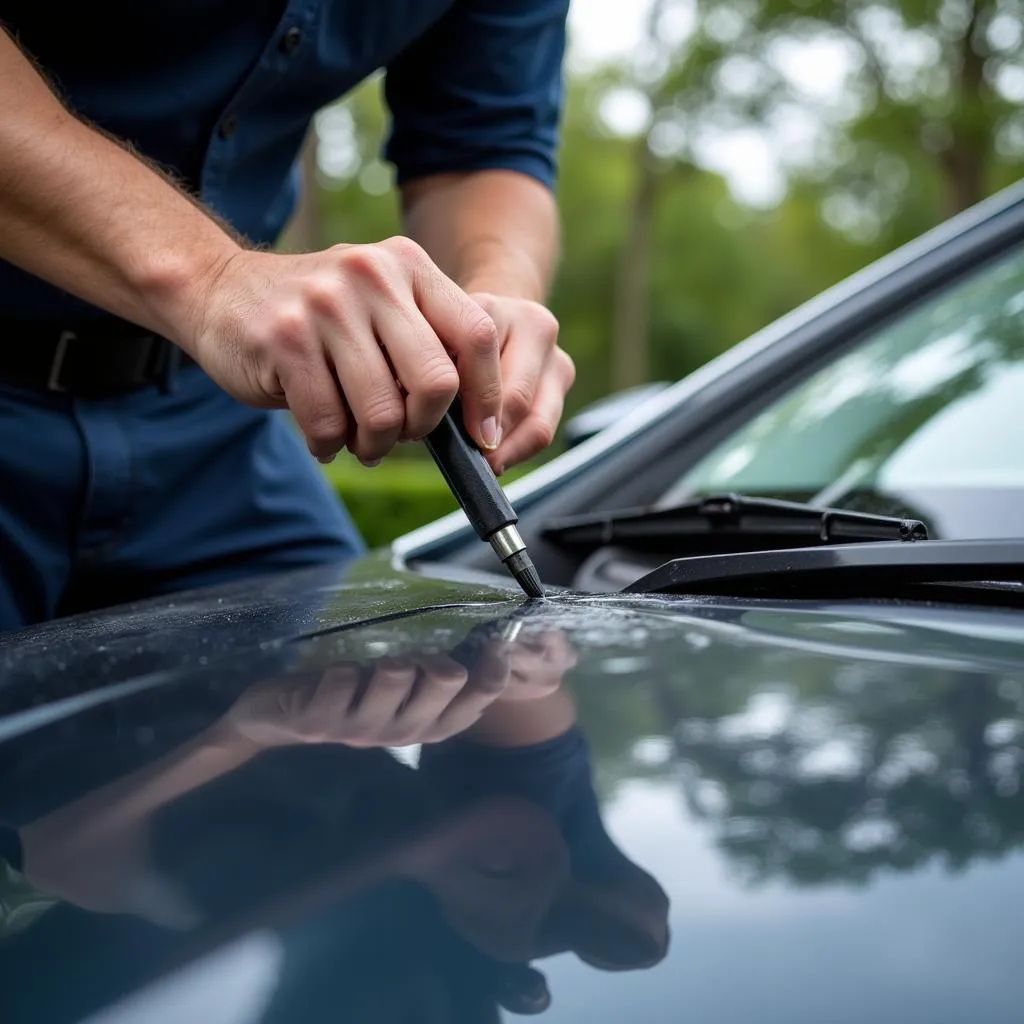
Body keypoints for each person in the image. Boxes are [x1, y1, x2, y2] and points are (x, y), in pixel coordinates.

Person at [0, 2, 576, 632]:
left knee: (343, 703)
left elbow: (486, 144)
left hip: (212, 424)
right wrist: (211, 278)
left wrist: (490, 302)